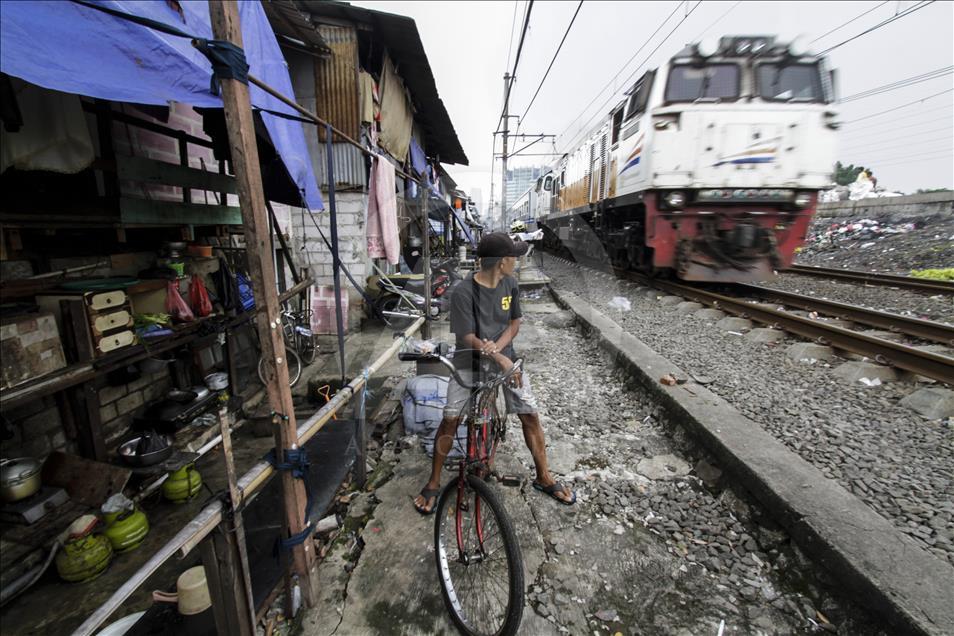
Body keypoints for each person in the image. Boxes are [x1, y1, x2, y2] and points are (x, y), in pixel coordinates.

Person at [413, 233, 576, 514]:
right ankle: (434, 481)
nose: (517, 260)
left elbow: (515, 323)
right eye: (514, 256)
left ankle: (544, 476)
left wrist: (499, 350)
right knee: (450, 419)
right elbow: (465, 336)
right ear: (502, 261)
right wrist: (492, 353)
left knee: (530, 414)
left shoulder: (510, 283)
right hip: (468, 362)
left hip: (504, 358)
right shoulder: (463, 291)